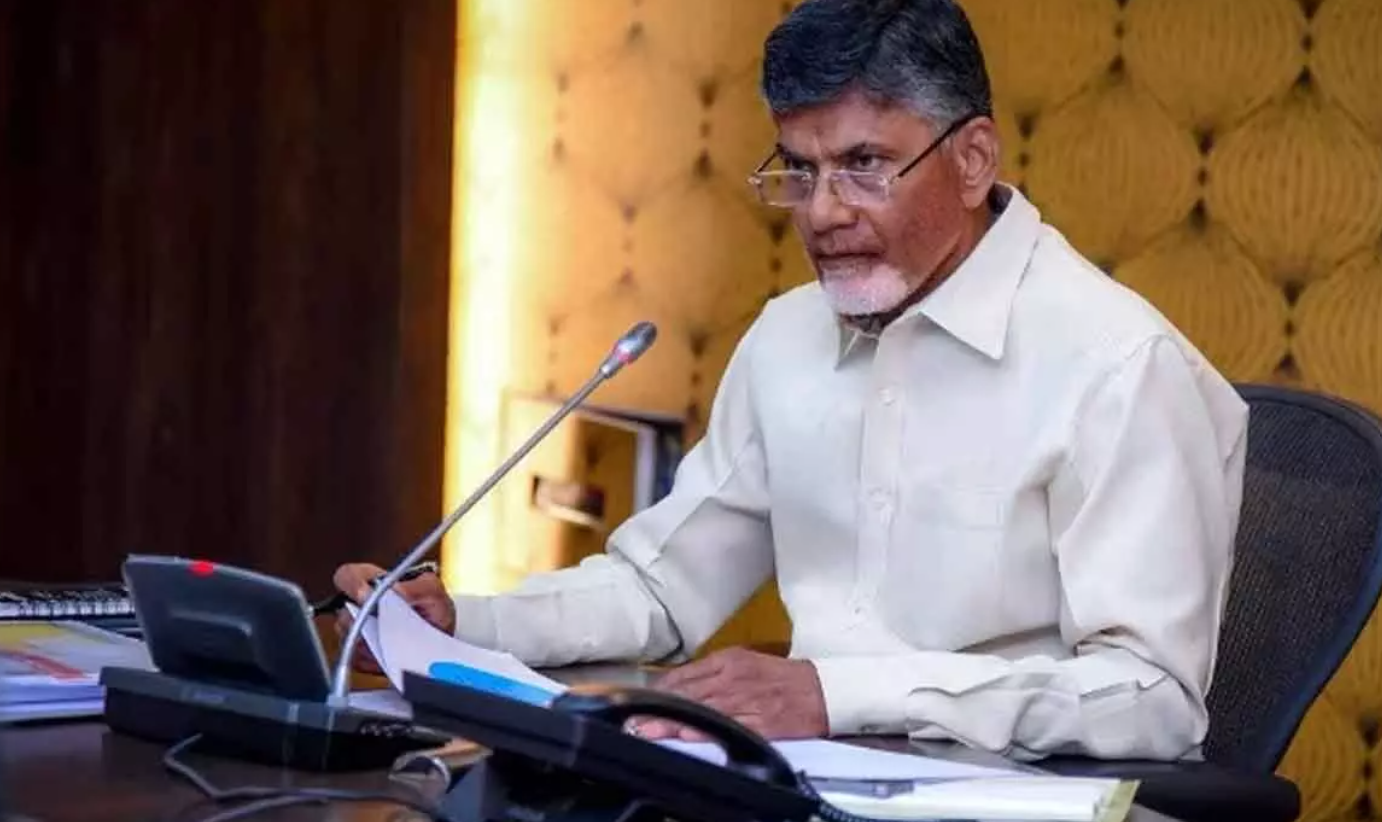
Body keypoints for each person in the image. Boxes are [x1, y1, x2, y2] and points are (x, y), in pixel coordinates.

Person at [335, 0, 1248, 762]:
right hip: (796, 782)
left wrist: (834, 694)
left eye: (864, 166)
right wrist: (465, 624)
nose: (822, 213)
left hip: (1010, 794)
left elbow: (1152, 697)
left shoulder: (1119, 365)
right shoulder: (786, 340)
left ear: (973, 160)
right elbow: (659, 590)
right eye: (799, 171)